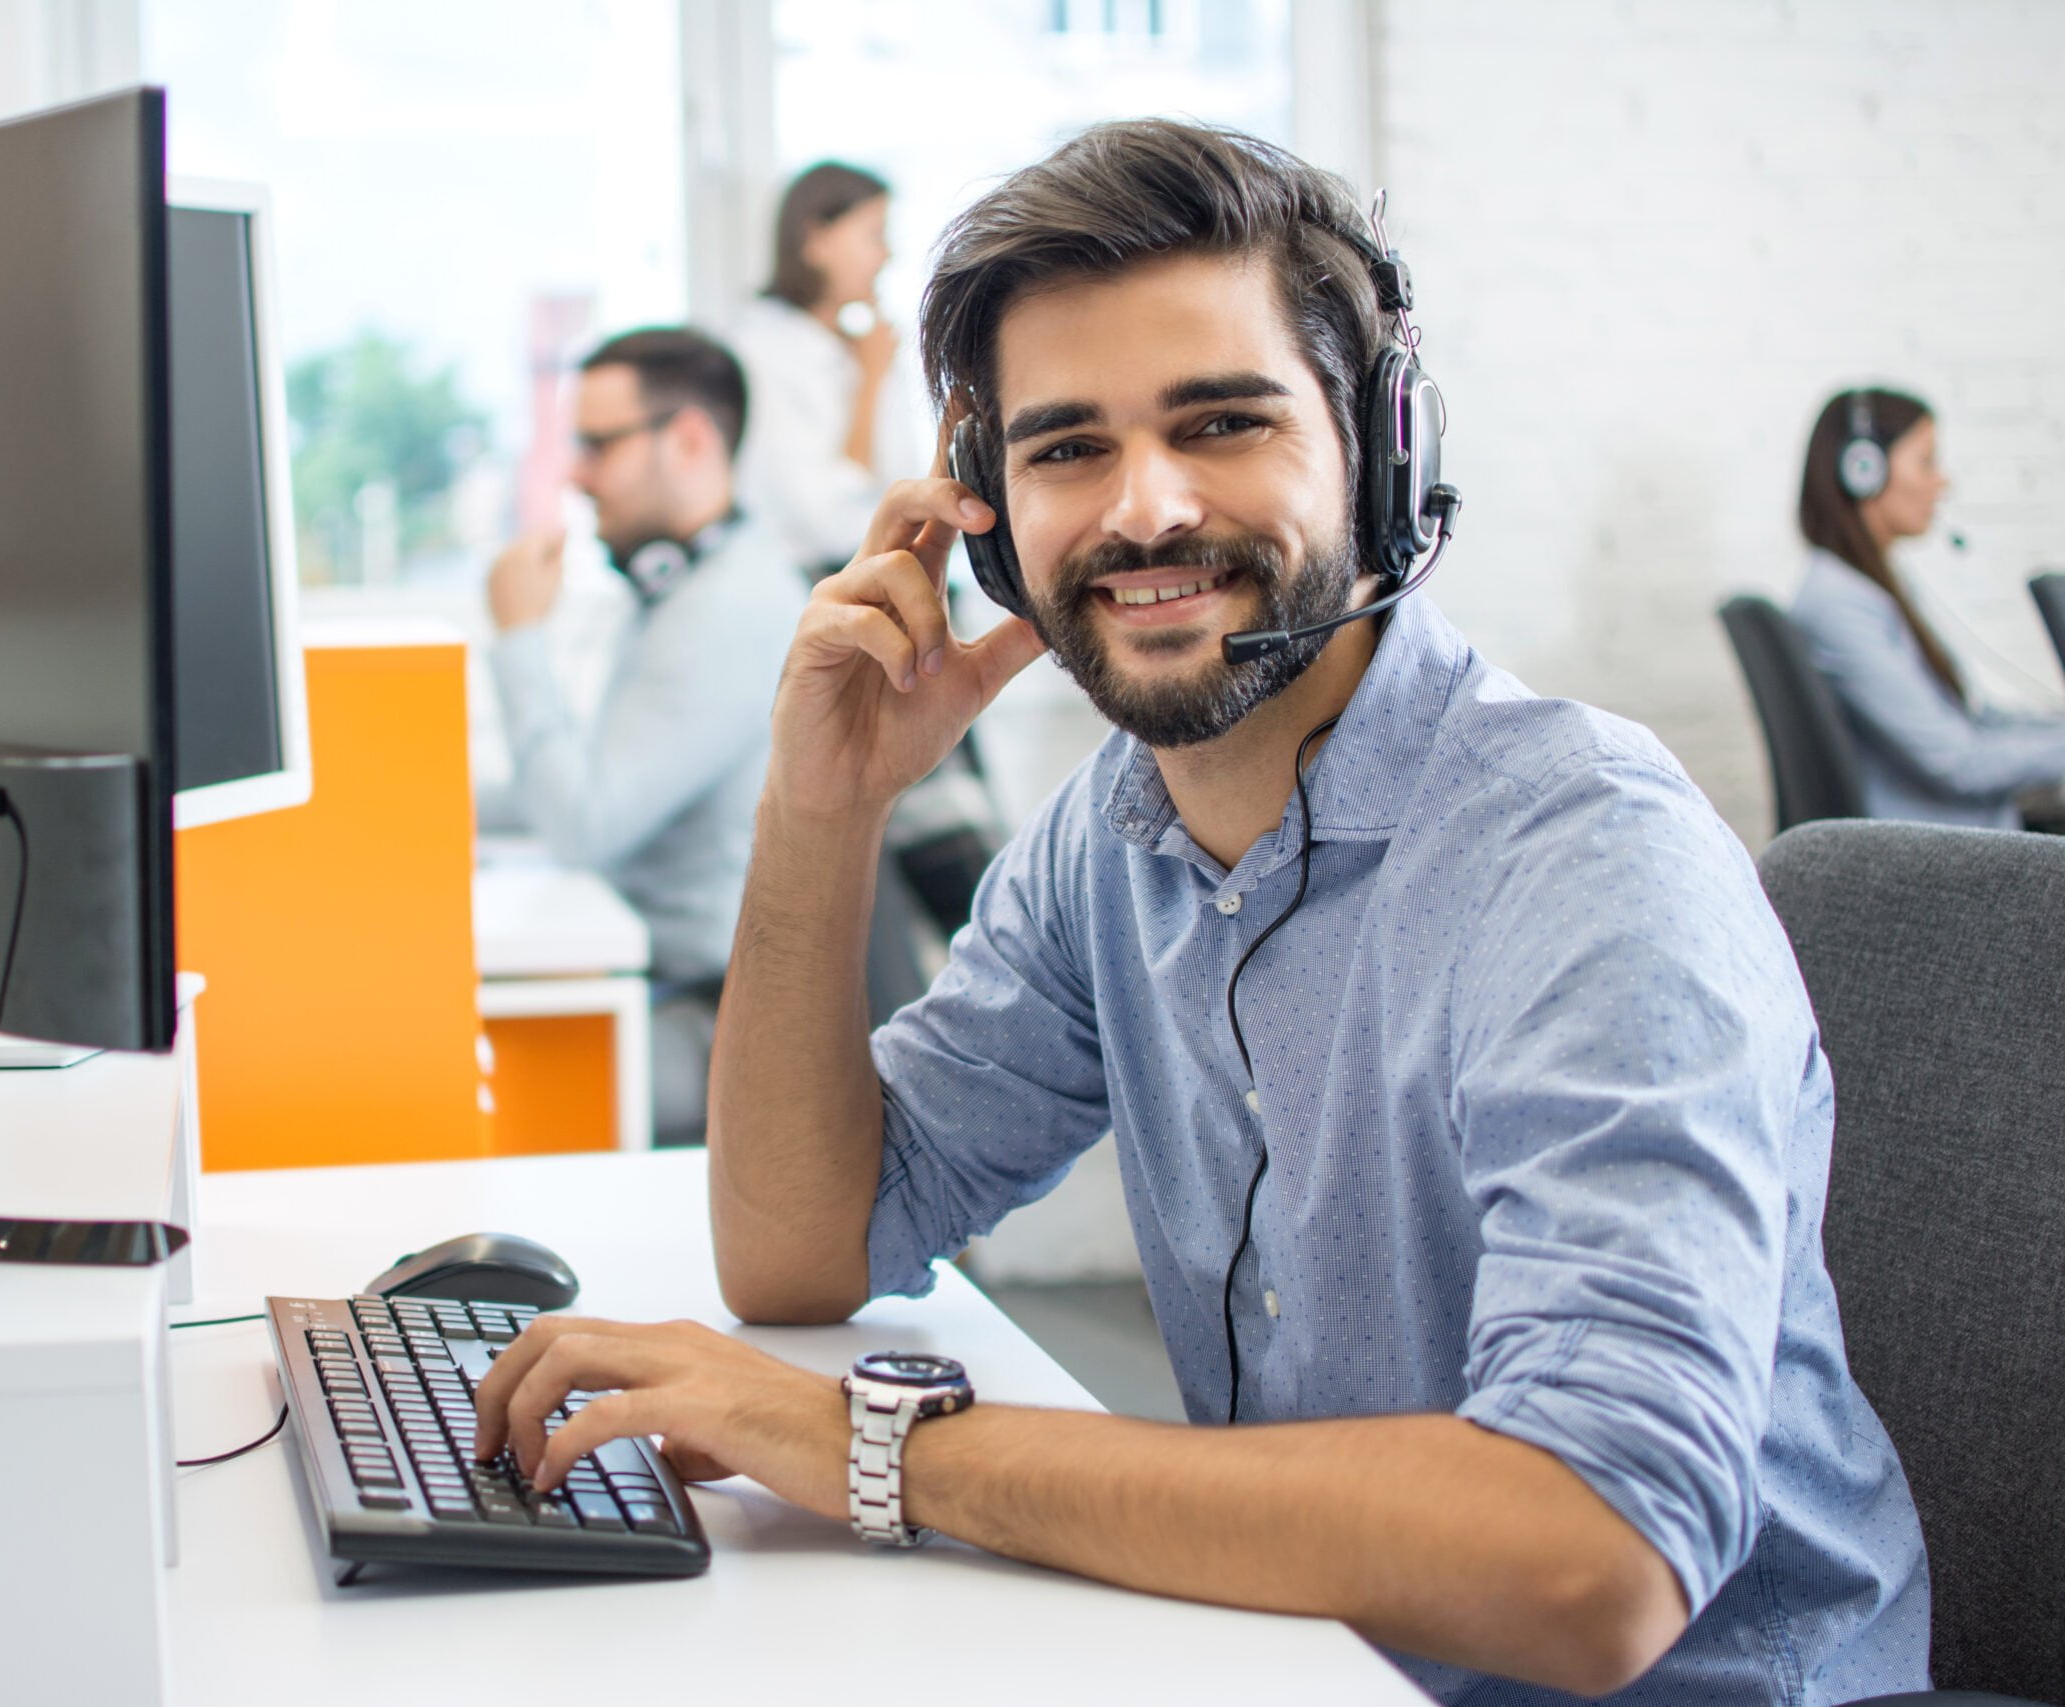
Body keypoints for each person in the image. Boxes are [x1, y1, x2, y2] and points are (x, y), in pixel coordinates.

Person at [474, 123, 1927, 1703]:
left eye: (1222, 420)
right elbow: (799, 1246)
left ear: (1378, 451)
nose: (1143, 509)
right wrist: (822, 808)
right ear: (986, 512)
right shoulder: (1112, 839)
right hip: (1321, 1661)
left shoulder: (1582, 859)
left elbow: (1596, 1555)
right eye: (1066, 447)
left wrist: (871, 1444)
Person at [483, 327, 806, 1144]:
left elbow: (584, 822)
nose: (577, 474)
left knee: (468, 1081)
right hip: (650, 975)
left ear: (689, 438)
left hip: (701, 1018)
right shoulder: (684, 587)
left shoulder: (727, 613)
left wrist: (520, 637)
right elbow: (583, 787)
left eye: (597, 444)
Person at [1793, 387, 2065, 827]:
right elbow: (1957, 763)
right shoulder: (1840, 606)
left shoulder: (1869, 588)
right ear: (1863, 471)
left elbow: (1972, 721)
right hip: (1944, 850)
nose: (1943, 481)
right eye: (1926, 462)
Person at [730, 162, 924, 579]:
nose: (887, 254)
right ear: (816, 241)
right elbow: (831, 522)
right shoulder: (763, 354)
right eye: (874, 235)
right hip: (818, 582)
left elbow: (906, 485)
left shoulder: (861, 345)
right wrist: (871, 381)